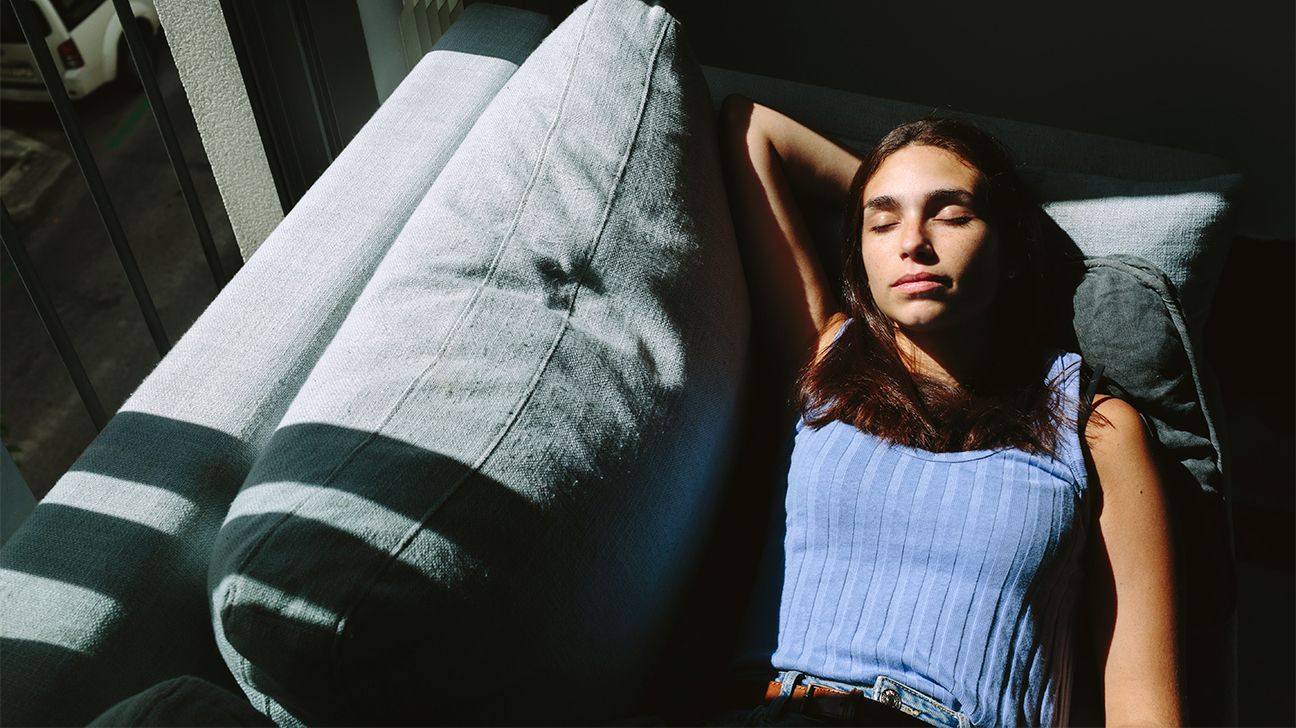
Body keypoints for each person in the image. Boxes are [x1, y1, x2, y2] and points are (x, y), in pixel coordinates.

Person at [706, 95, 1183, 727]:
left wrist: (966, 213)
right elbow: (751, 129)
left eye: (952, 216)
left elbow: (1144, 706)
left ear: (1014, 250)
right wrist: (897, 196)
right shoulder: (824, 364)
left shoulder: (1096, 428)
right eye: (882, 225)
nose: (912, 244)